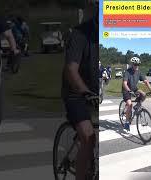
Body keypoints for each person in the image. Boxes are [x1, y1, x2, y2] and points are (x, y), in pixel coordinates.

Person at [61, 0, 98, 179]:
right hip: (76, 92)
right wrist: (85, 92)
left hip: (95, 92)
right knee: (89, 137)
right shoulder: (80, 34)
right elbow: (71, 70)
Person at [122, 57, 151, 131]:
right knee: (129, 104)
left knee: (144, 94)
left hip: (134, 89)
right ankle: (126, 122)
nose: (137, 66)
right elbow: (124, 83)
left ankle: (137, 106)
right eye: (135, 64)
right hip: (126, 90)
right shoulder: (127, 72)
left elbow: (146, 81)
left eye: (138, 64)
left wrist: (150, 89)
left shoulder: (139, 72)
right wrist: (129, 91)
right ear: (132, 64)